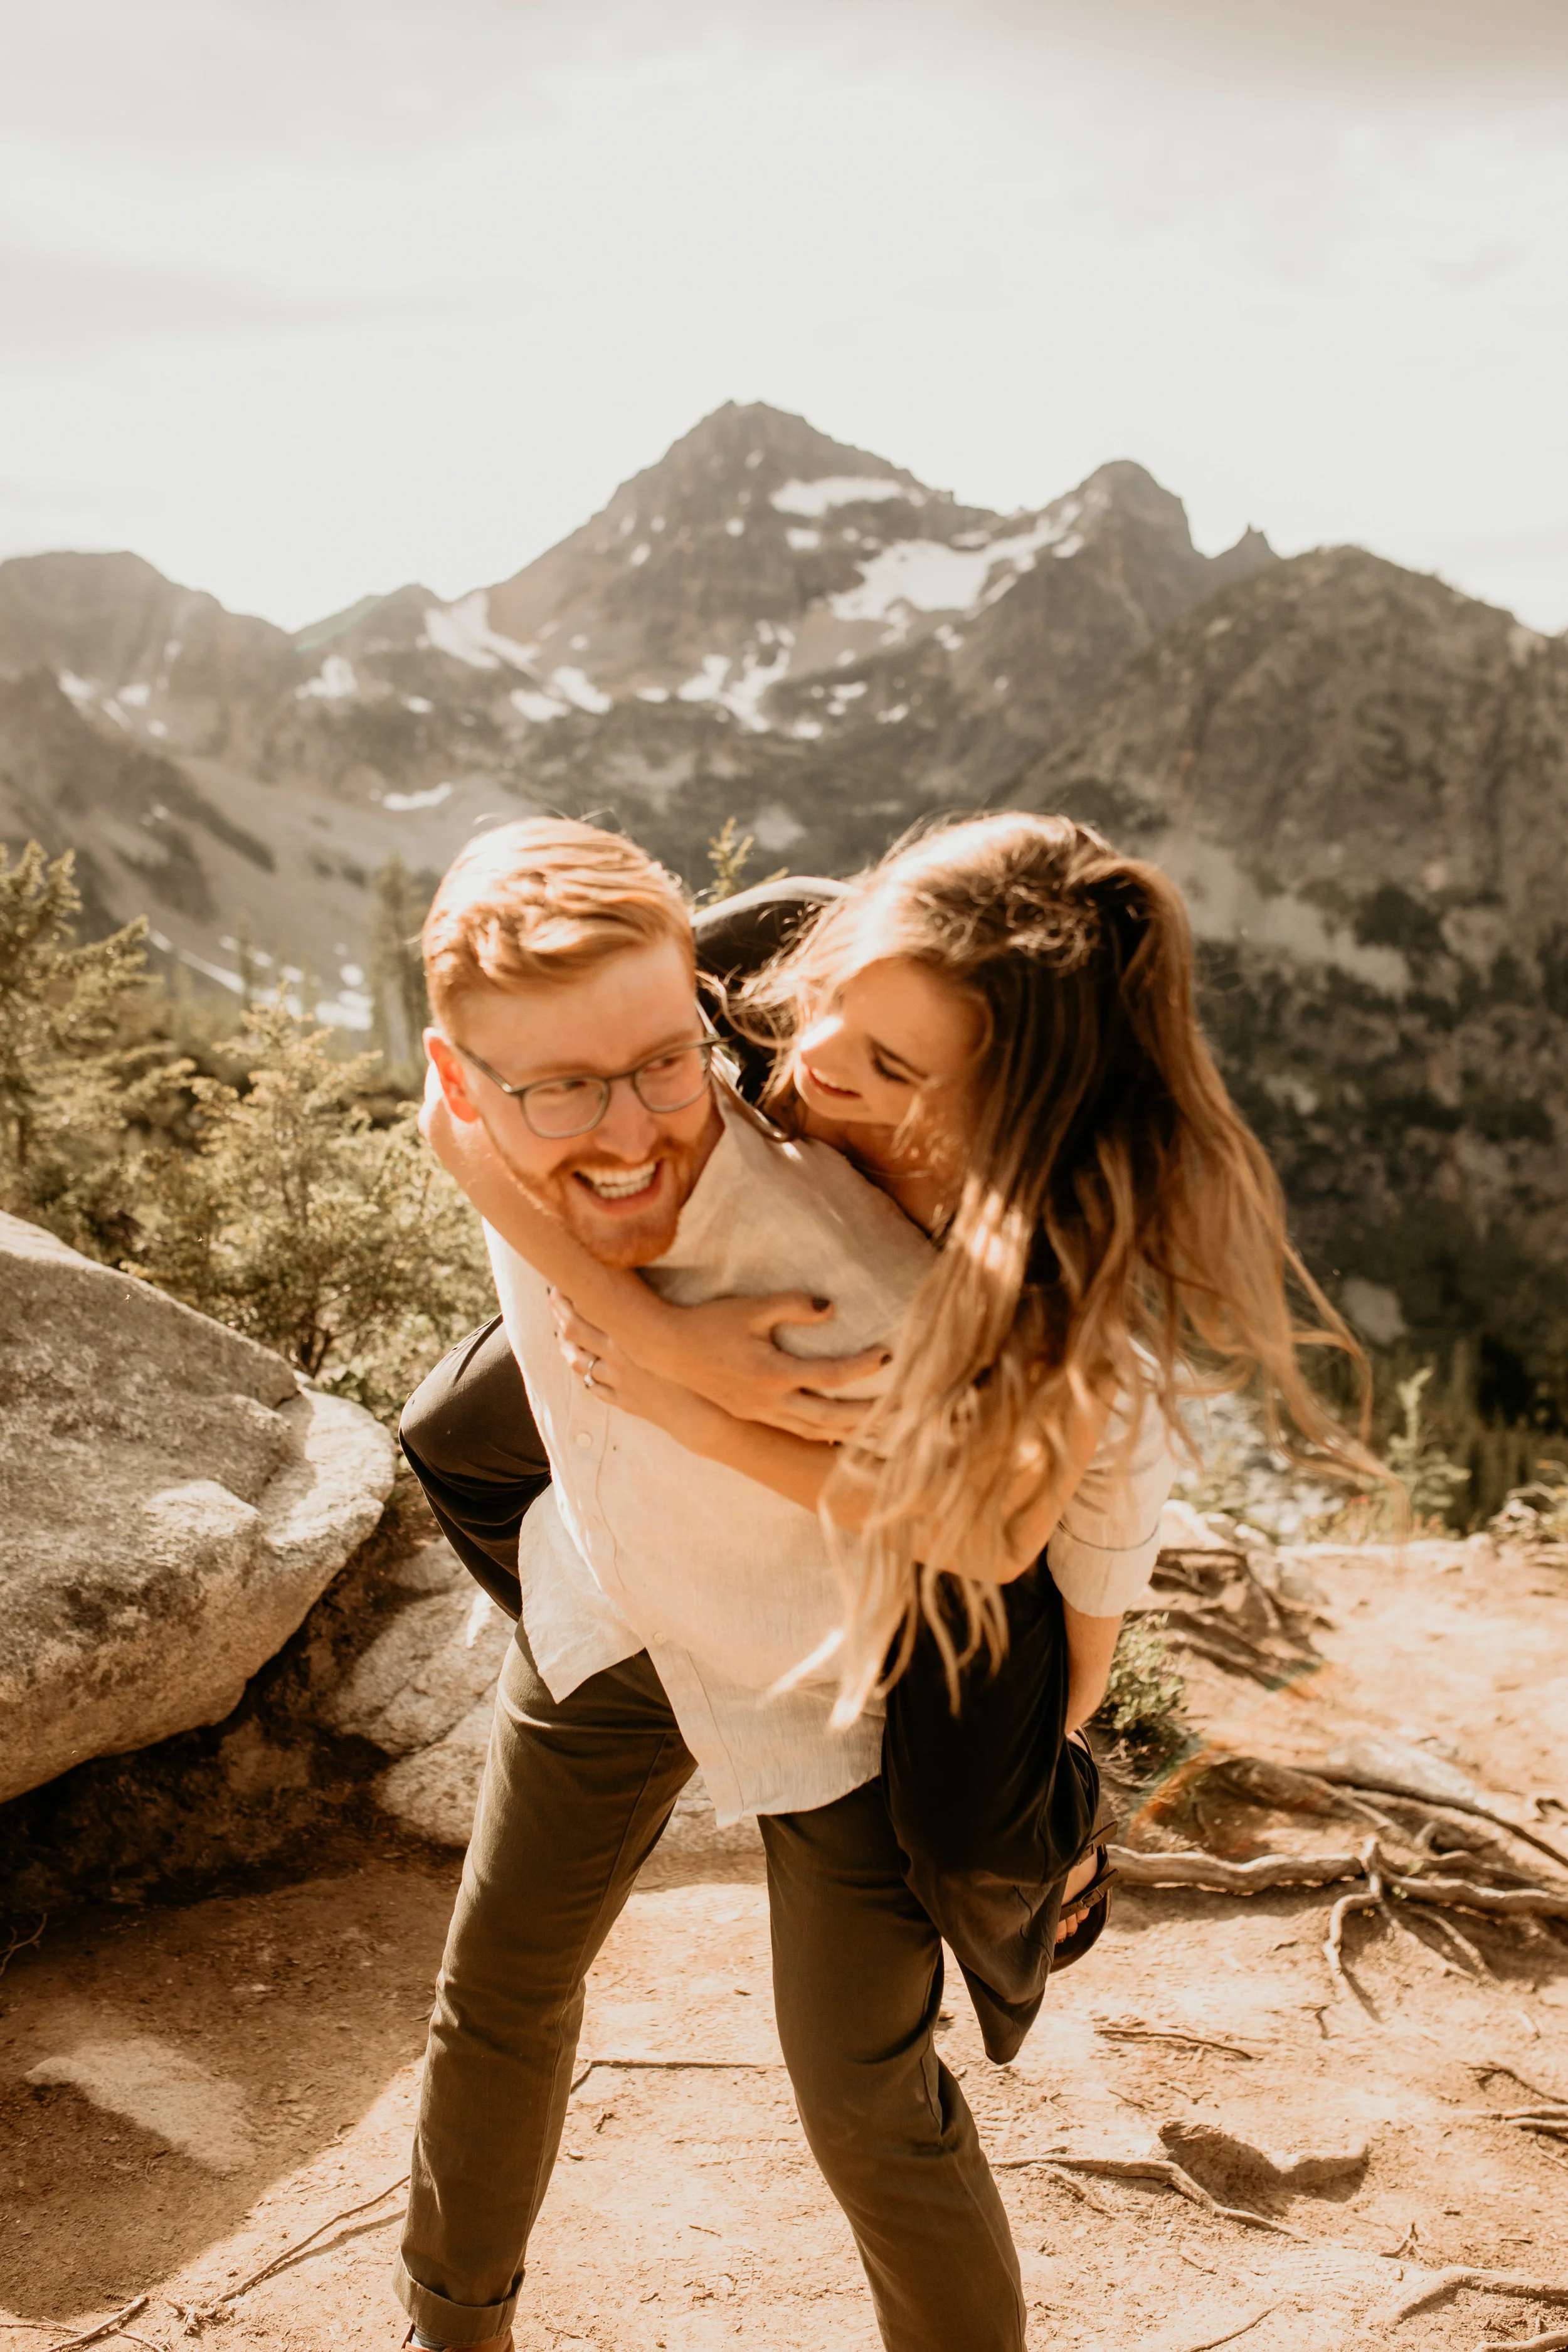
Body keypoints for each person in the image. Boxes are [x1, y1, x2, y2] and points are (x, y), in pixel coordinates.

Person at [391, 814, 1370, 2352]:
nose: (823, 1062)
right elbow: (460, 1115)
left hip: (854, 1656)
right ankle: (448, 2328)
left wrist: (1055, 1735)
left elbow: (1007, 1537)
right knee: (496, 1983)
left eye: (896, 1070)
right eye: (837, 994)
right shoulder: (710, 1009)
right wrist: (658, 1348)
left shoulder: (1043, 1259)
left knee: (867, 2090)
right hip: (624, 1592)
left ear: (1000, 1101)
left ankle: (1050, 1839)